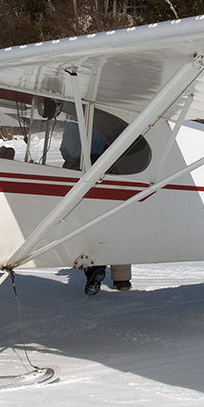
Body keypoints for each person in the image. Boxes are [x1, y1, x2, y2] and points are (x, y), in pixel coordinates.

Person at [60, 121, 132, 295]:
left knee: (90, 225)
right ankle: (122, 278)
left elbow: (67, 150)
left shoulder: (75, 122)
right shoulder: (112, 122)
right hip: (113, 173)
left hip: (84, 174)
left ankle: (95, 268)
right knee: (117, 227)